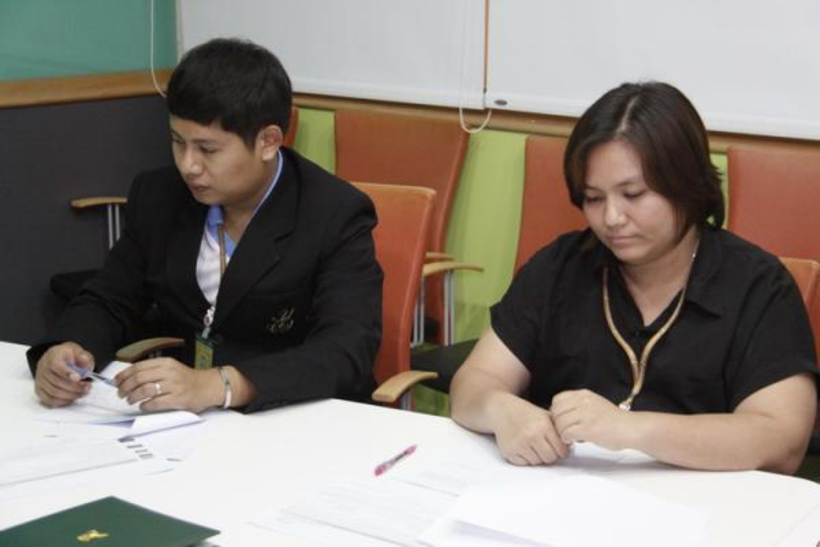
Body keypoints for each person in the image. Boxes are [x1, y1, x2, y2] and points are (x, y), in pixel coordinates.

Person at [450, 82, 818, 474]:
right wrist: (500, 408)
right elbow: (475, 380)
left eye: (634, 194)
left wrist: (630, 429)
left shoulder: (759, 287)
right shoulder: (560, 267)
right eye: (594, 198)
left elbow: (780, 440)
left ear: (687, 185)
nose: (611, 218)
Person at [28, 38, 382, 414]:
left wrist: (222, 384)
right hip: (192, 421)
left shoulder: (334, 213)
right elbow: (109, 298)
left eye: (208, 150)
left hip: (298, 415)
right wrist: (68, 349)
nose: (188, 166)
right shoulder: (160, 195)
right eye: (177, 142)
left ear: (268, 142)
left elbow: (347, 348)